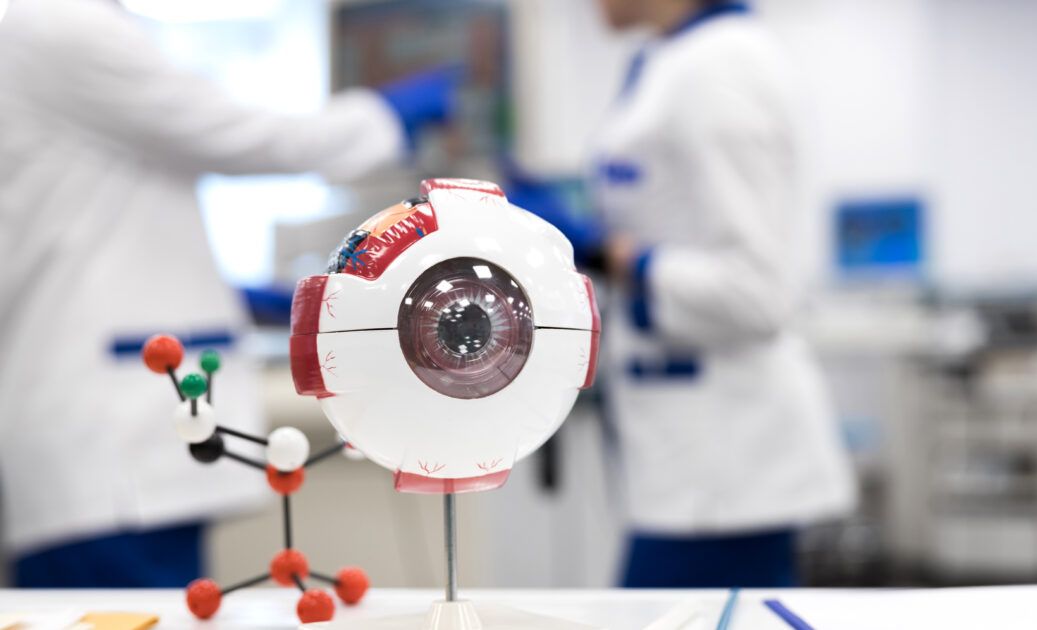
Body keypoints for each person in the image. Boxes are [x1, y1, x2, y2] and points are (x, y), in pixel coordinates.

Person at [0, 0, 456, 586]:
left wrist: (235, 296)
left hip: (113, 440)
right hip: (110, 450)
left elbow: (86, 217)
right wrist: (387, 114)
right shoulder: (61, 25)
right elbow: (245, 137)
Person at [525, 0, 857, 587]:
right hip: (690, 463)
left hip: (728, 467)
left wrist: (615, 255)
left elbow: (759, 292)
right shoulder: (671, 60)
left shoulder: (720, 67)